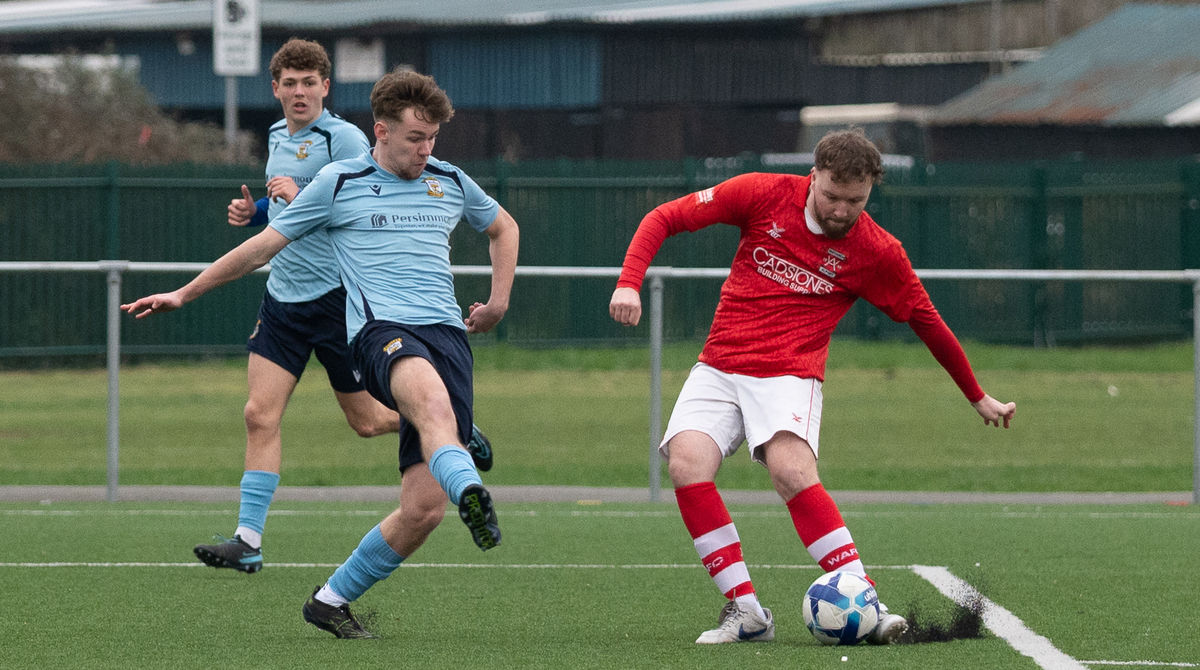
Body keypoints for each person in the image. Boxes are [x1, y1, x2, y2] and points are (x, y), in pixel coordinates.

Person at [123, 68, 518, 639]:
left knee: (421, 511)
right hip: (381, 332)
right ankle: (473, 491)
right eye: (414, 138)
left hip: (449, 337)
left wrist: (499, 304)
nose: (425, 149)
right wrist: (184, 292)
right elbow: (260, 248)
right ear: (381, 131)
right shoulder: (340, 181)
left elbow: (503, 228)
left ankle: (330, 600)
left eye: (432, 138)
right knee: (430, 407)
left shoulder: (449, 180)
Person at [609, 128, 1016, 645]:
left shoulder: (876, 251)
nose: (843, 209)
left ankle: (867, 600)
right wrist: (629, 280)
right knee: (687, 464)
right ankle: (745, 612)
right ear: (814, 174)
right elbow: (663, 217)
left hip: (789, 373)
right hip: (719, 365)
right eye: (832, 196)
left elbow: (926, 320)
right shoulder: (762, 193)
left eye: (857, 200)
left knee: (791, 471)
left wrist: (975, 393)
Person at [192, 38, 494, 576]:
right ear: (276, 89)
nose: (300, 92)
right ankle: (248, 537)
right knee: (258, 413)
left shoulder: (347, 138)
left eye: (310, 82)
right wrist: (257, 208)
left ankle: (446, 428)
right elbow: (294, 208)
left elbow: (359, 193)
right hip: (284, 296)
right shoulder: (276, 135)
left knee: (365, 422)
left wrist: (287, 197)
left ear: (326, 88)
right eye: (290, 83)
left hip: (338, 299)